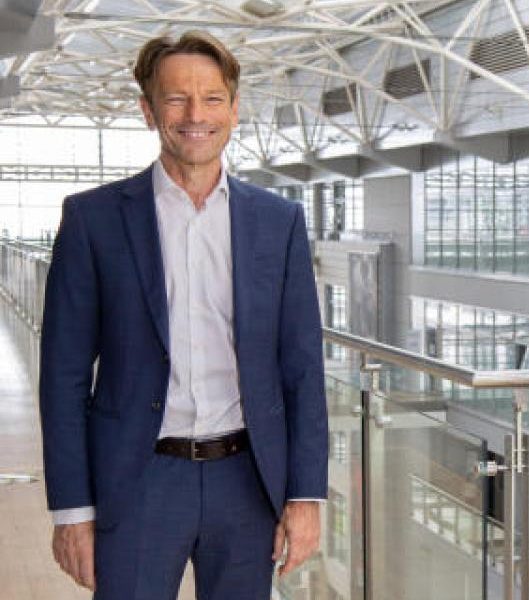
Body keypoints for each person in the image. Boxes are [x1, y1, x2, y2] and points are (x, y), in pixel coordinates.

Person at [40, 31, 328, 600]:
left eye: (212, 98)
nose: (196, 115)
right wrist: (72, 509)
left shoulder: (279, 222)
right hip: (137, 479)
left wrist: (306, 495)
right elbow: (63, 375)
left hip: (248, 481)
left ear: (234, 110)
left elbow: (302, 367)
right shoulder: (93, 220)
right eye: (176, 99)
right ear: (149, 111)